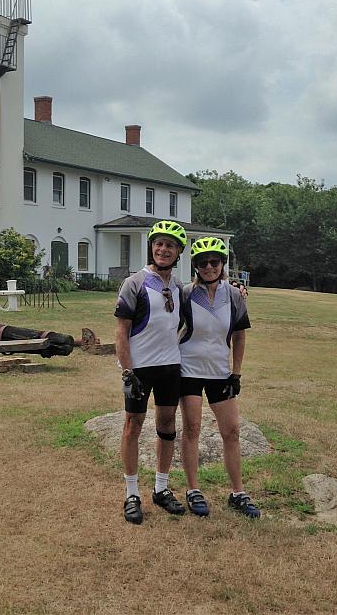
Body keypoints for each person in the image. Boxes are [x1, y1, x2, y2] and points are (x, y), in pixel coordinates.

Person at [179, 236, 260, 519]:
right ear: (196, 267)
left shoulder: (235, 295)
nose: (209, 267)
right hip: (188, 368)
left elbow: (239, 335)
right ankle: (193, 489)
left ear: (222, 264)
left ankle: (238, 492)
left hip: (220, 372)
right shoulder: (186, 294)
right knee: (192, 429)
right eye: (203, 263)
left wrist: (236, 372)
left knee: (232, 431)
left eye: (214, 262)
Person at [115, 220, 187, 524]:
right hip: (140, 369)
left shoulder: (180, 287)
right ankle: (132, 493)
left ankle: (160, 488)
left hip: (170, 367)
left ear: (178, 252)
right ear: (152, 247)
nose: (163, 249)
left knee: (167, 425)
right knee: (133, 426)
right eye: (159, 243)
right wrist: (128, 371)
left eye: (170, 245)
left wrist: (237, 290)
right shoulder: (134, 283)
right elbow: (121, 331)